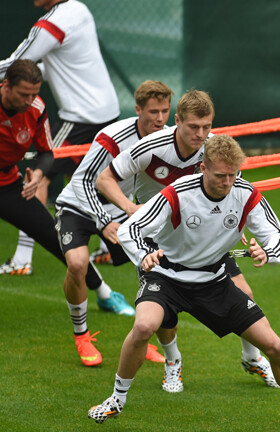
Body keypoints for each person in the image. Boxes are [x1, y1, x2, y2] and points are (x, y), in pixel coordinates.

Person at [87, 135, 280, 427]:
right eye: (220, 175)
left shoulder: (245, 193)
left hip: (214, 280)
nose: (227, 182)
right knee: (143, 326)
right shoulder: (177, 192)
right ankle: (116, 399)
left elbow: (279, 237)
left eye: (233, 174)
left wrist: (267, 251)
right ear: (203, 168)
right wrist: (144, 255)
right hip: (167, 277)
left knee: (275, 346)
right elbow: (130, 230)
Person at [96, 89, 279, 389]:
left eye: (206, 126)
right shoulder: (151, 147)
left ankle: (252, 357)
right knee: (163, 312)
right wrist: (131, 209)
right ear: (177, 121)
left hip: (201, 235)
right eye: (194, 126)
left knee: (243, 290)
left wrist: (237, 221)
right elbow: (105, 178)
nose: (201, 133)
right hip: (155, 237)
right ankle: (173, 361)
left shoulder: (215, 147)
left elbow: (235, 186)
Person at [53, 80, 174, 367]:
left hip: (120, 208)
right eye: (153, 112)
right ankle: (82, 336)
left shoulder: (168, 137)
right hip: (78, 205)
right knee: (78, 264)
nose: (159, 119)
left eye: (165, 111)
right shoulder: (112, 136)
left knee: (152, 268)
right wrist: (104, 220)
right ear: (137, 109)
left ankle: (141, 339)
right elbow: (83, 180)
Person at [0, 59, 128, 317]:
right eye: (24, 94)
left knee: (56, 238)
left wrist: (38, 172)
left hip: (9, 187)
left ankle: (104, 293)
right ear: (5, 86)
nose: (30, 100)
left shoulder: (36, 109)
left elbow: (47, 153)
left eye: (34, 94)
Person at [0, 0, 120, 275]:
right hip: (106, 111)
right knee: (96, 180)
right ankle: (113, 247)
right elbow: (61, 64)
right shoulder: (79, 9)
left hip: (81, 116)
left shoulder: (50, 24)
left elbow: (16, 66)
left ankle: (22, 259)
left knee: (41, 176)